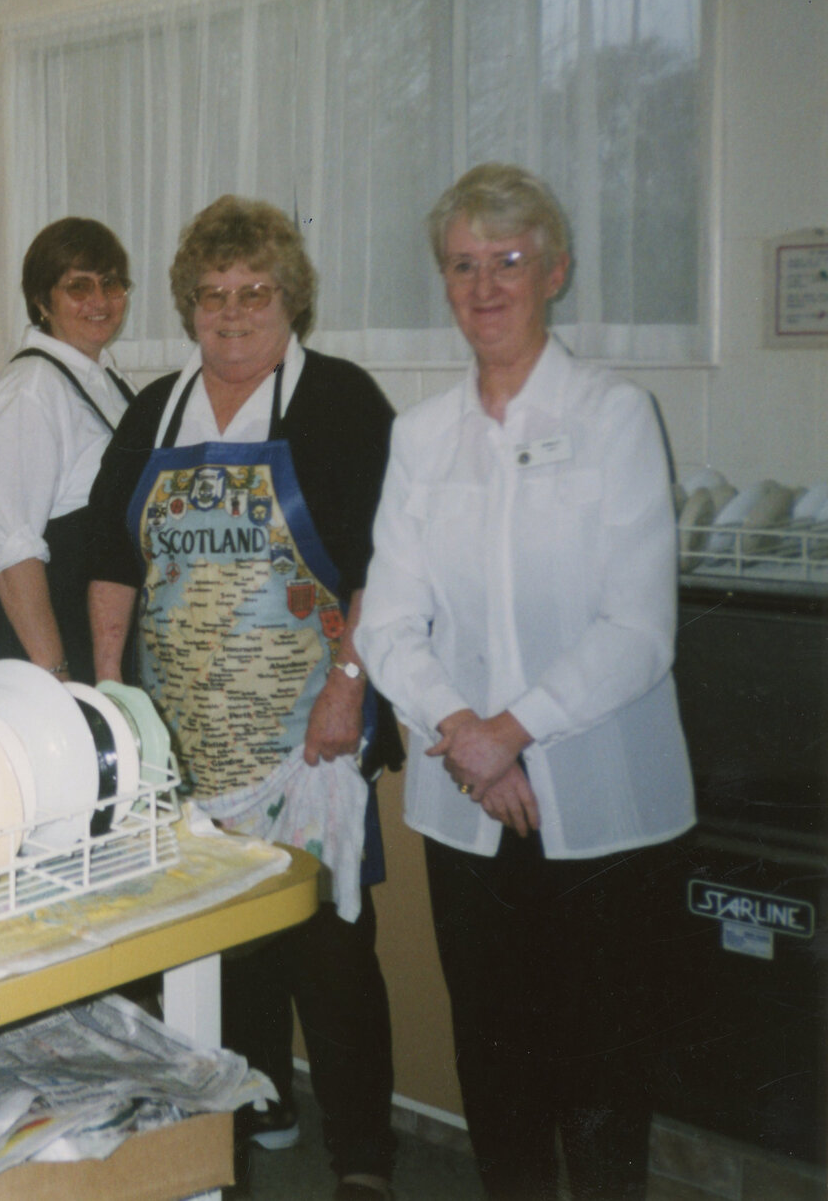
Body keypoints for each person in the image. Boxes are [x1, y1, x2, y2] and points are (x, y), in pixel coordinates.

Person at [356, 164, 693, 1201]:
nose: (482, 284)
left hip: (601, 810)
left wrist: (510, 729)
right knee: (494, 1074)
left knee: (599, 1081)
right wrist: (466, 732)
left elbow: (637, 629)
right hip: (468, 816)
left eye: (505, 260)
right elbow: (384, 622)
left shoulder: (614, 414)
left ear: (552, 271)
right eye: (461, 264)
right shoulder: (418, 437)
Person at [87, 196, 402, 1201]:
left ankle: (360, 1154)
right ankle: (251, 1104)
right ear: (188, 307)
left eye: (253, 292)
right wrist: (106, 693)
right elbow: (108, 555)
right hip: (179, 734)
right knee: (215, 937)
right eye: (212, 295)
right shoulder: (155, 411)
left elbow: (385, 562)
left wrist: (347, 688)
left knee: (329, 943)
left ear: (288, 299)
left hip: (304, 730)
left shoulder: (340, 402)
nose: (231, 313)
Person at [0, 217, 136, 682]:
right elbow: (12, 553)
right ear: (40, 301)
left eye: (111, 284)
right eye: (78, 286)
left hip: (77, 621)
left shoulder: (102, 379)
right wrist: (55, 677)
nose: (99, 301)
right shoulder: (30, 394)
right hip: (29, 640)